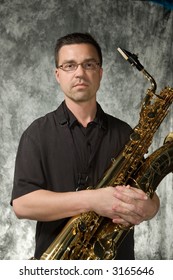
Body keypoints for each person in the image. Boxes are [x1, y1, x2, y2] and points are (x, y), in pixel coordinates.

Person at [11, 32, 160, 260]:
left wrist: (148, 209)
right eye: (70, 65)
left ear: (100, 73)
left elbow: (148, 193)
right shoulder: (37, 133)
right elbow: (23, 205)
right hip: (57, 263)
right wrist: (93, 200)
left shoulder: (124, 133)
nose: (80, 72)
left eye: (88, 64)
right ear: (57, 75)